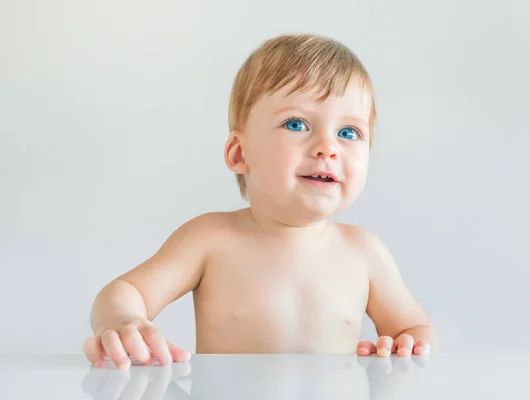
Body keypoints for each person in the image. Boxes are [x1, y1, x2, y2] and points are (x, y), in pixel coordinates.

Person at [83, 33, 439, 369]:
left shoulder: (364, 252)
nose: (328, 148)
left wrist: (404, 347)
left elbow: (415, 330)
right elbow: (125, 291)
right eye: (297, 124)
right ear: (240, 153)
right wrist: (123, 319)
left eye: (349, 133)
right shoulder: (210, 239)